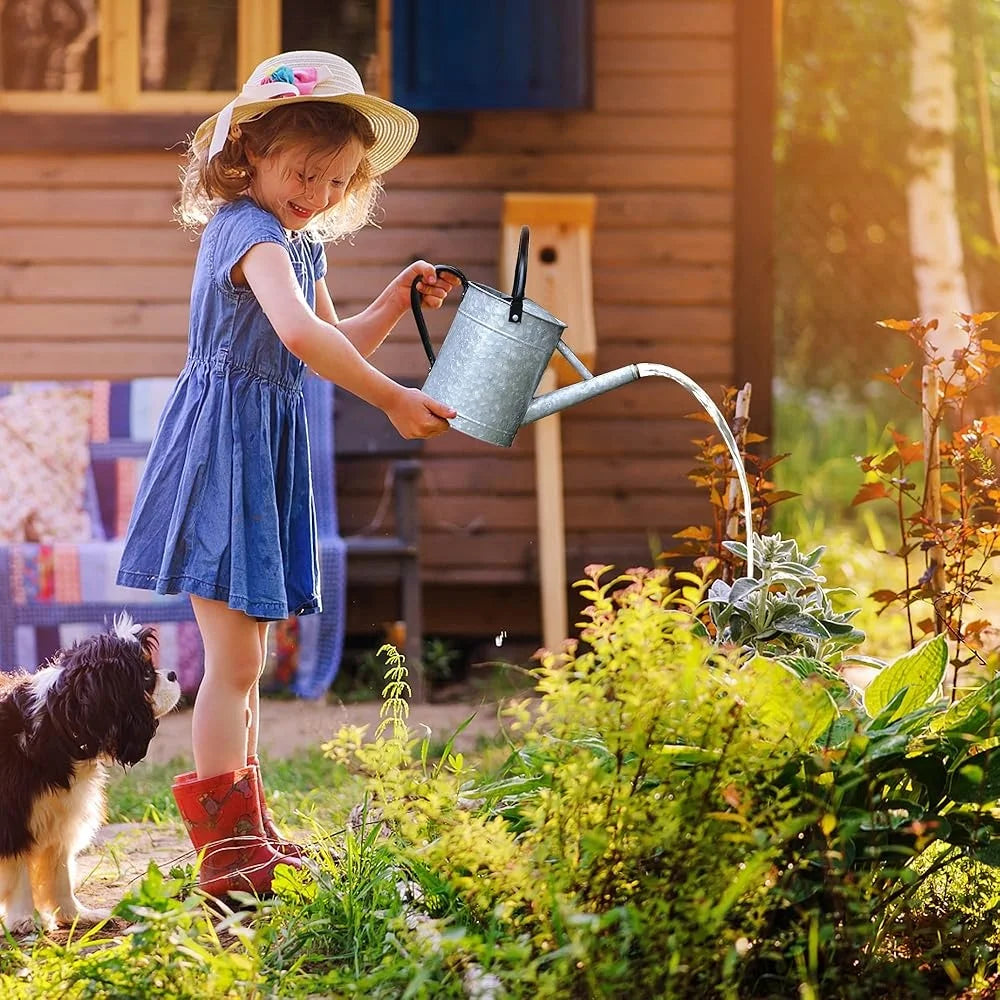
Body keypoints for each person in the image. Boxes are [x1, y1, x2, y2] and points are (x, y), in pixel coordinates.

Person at [116, 50, 458, 898]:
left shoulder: (297, 246)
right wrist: (389, 400)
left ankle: (250, 831)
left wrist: (396, 300)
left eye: (338, 181)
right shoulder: (245, 231)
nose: (318, 192)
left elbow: (330, 338)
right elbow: (303, 339)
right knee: (231, 663)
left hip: (260, 456)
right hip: (222, 456)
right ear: (250, 153)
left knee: (251, 658)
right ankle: (226, 859)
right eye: (305, 171)